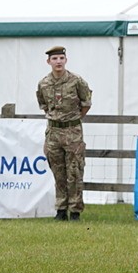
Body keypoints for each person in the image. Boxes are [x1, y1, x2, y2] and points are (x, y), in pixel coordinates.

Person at [37, 46, 93, 221]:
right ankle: (61, 209)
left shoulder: (77, 81)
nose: (58, 62)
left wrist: (72, 120)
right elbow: (44, 105)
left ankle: (75, 210)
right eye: (54, 59)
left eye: (61, 58)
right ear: (49, 62)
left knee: (74, 171)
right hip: (53, 132)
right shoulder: (43, 83)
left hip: (72, 132)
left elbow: (86, 103)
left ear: (66, 60)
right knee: (58, 172)